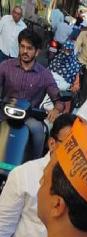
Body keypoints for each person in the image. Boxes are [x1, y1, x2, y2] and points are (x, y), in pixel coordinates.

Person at [0, 29, 62, 159]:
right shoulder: (5, 66)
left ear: (37, 51)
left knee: (39, 131)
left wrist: (56, 109)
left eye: (29, 48)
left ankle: (32, 164)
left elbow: (58, 100)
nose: (25, 51)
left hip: (29, 118)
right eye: (22, 47)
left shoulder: (44, 74)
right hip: (4, 113)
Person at [48, 40, 81, 112]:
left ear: (72, 51)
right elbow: (46, 73)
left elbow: (77, 84)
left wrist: (74, 87)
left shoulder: (75, 65)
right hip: (50, 93)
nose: (66, 53)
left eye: (69, 51)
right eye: (64, 50)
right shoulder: (56, 60)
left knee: (65, 114)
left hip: (64, 95)